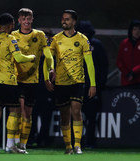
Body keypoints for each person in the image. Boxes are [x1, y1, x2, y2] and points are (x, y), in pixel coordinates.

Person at [44, 10, 96, 154]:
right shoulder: (56, 39)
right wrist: (50, 71)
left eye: (67, 19)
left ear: (74, 22)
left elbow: (89, 63)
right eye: (62, 19)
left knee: (76, 111)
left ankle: (77, 145)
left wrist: (93, 84)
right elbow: (49, 58)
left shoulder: (82, 39)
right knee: (64, 115)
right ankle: (68, 146)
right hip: (60, 82)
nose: (64, 21)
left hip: (77, 82)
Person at [0, 13, 36, 153]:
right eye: (12, 24)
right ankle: (10, 145)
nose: (14, 27)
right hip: (7, 80)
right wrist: (32, 57)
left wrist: (1, 25)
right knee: (14, 111)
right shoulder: (10, 39)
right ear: (9, 25)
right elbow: (19, 58)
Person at [11, 8, 54, 153]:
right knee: (19, 112)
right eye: (24, 19)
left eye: (29, 19)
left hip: (33, 80)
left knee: (28, 115)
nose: (26, 22)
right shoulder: (13, 35)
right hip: (17, 79)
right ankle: (14, 143)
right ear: (19, 20)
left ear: (32, 19)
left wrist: (51, 67)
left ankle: (23, 145)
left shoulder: (39, 35)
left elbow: (48, 54)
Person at [76, 20, 108, 148]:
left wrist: (99, 84)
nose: (84, 34)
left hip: (92, 87)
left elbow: (103, 66)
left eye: (86, 32)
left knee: (91, 117)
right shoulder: (75, 45)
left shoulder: (97, 45)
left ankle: (90, 141)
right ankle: (77, 142)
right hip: (78, 87)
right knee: (76, 115)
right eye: (82, 31)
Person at [116, 20, 140, 86]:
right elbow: (119, 61)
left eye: (139, 29)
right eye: (135, 29)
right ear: (131, 31)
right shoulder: (124, 43)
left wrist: (134, 71)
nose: (137, 32)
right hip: (126, 79)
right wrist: (127, 73)